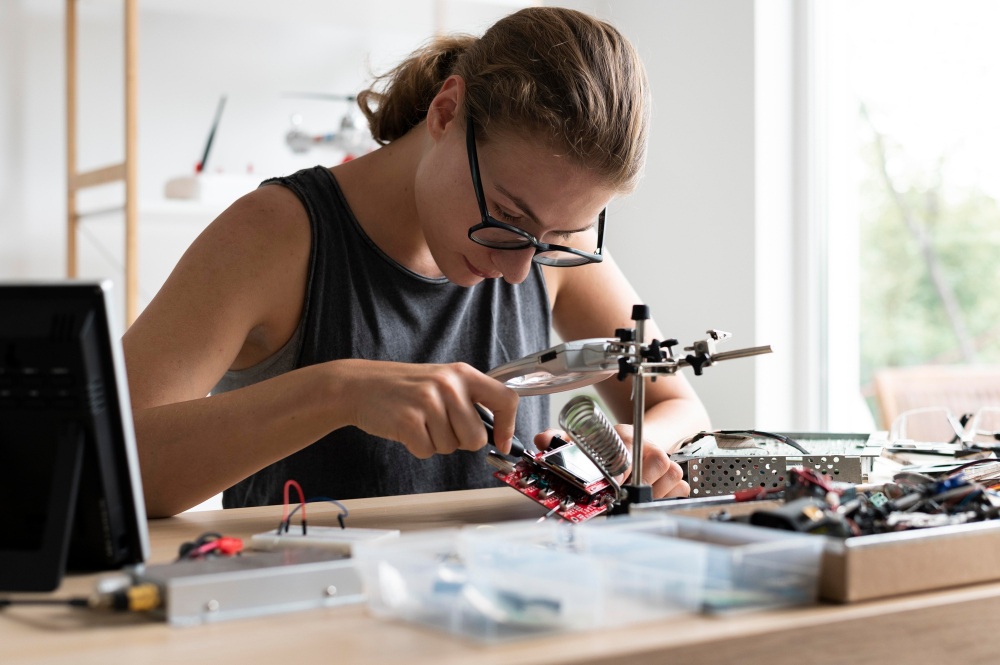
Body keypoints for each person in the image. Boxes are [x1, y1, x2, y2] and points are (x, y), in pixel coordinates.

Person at [123, 6, 711, 518]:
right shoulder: (275, 236)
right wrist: (338, 392)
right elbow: (102, 458)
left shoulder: (546, 252)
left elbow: (677, 403)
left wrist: (639, 446)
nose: (518, 270)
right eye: (506, 217)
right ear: (446, 112)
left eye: (561, 234)